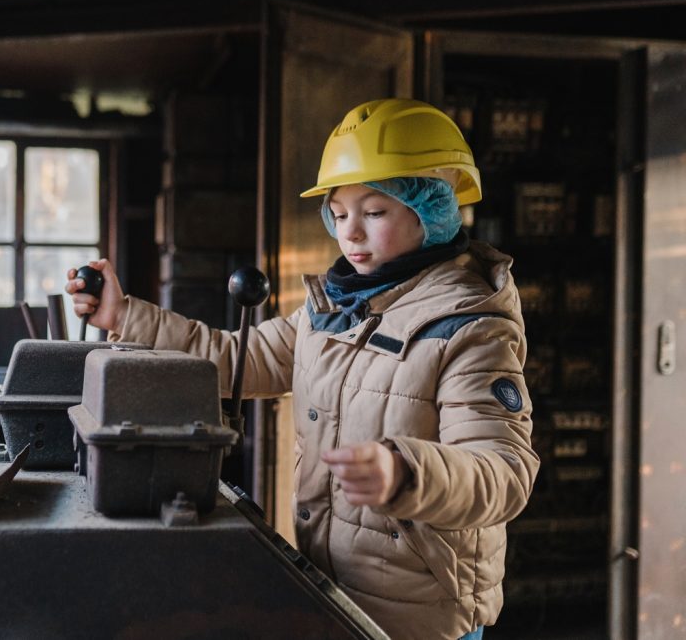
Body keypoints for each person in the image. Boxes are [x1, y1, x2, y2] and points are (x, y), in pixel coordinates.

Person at [66, 98, 538, 640]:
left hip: (422, 619)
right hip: (334, 596)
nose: (350, 233)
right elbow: (233, 359)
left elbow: (504, 472)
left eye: (374, 211)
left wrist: (406, 471)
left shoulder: (469, 324)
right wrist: (123, 316)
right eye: (338, 213)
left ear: (432, 205)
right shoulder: (335, 308)